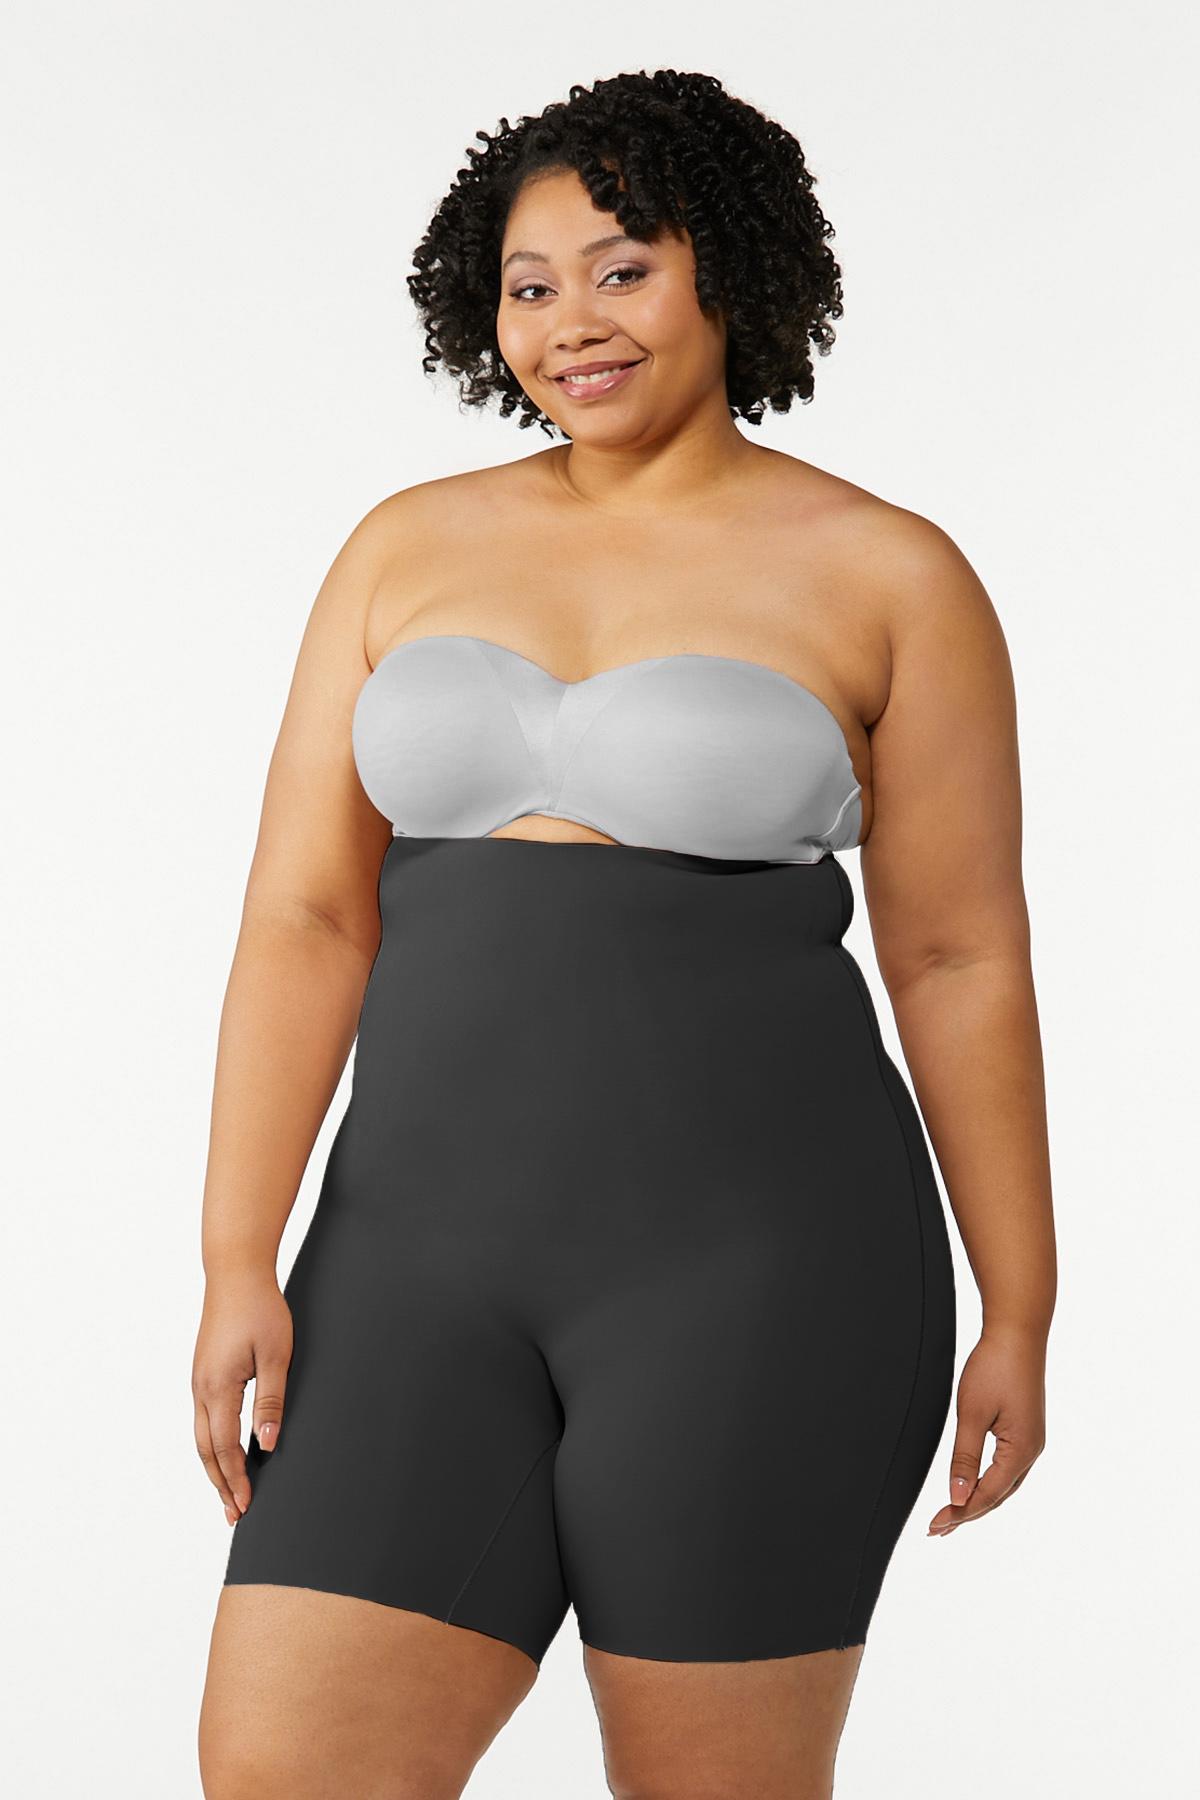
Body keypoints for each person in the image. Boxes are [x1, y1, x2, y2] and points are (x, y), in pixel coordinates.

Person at [194, 68, 1056, 1800]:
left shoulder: (889, 572)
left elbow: (958, 959)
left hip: (763, 1273)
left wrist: (1021, 1302)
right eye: (530, 286)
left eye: (622, 269)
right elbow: (305, 916)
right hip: (408, 1270)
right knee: (280, 1771)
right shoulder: (405, 547)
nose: (570, 323)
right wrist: (236, 1256)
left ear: (730, 271)